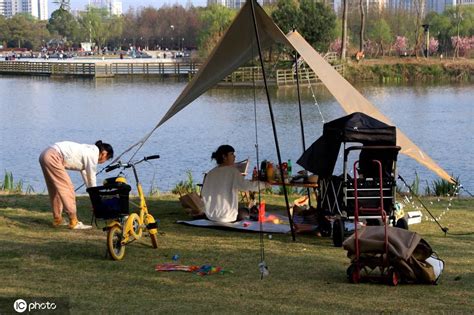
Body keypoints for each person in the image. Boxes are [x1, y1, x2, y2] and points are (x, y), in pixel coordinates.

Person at [39, 140, 114, 229]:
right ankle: (73, 222)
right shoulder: (93, 154)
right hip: (53, 156)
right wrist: (96, 200)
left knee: (55, 189)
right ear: (104, 154)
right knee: (68, 188)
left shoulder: (89, 149)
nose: (104, 161)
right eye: (107, 158)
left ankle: (57, 219)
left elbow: (87, 177)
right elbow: (92, 178)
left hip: (45, 154)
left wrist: (94, 199)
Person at [201, 145, 269, 223]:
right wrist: (264, 185)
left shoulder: (210, 173)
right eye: (232, 154)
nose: (234, 156)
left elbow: (204, 194)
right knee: (246, 211)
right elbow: (246, 186)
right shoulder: (233, 172)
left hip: (211, 216)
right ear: (224, 157)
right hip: (228, 217)